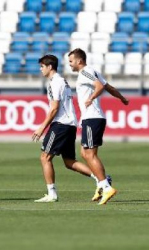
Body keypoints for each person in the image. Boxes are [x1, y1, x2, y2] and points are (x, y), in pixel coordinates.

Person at [33, 54, 109, 202]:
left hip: (61, 124)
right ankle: (101, 179)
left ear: (49, 67)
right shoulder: (62, 81)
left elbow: (54, 108)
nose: (40, 69)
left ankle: (52, 193)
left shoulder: (56, 82)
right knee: (69, 162)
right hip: (69, 124)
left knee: (45, 157)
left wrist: (42, 127)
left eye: (42, 66)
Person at [68, 48, 129, 205]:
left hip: (92, 117)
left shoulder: (85, 72)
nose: (69, 64)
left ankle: (106, 186)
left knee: (90, 154)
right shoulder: (92, 71)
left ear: (79, 61)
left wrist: (91, 98)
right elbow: (108, 86)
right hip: (92, 118)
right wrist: (121, 98)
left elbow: (99, 87)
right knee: (84, 152)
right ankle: (102, 183)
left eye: (71, 61)